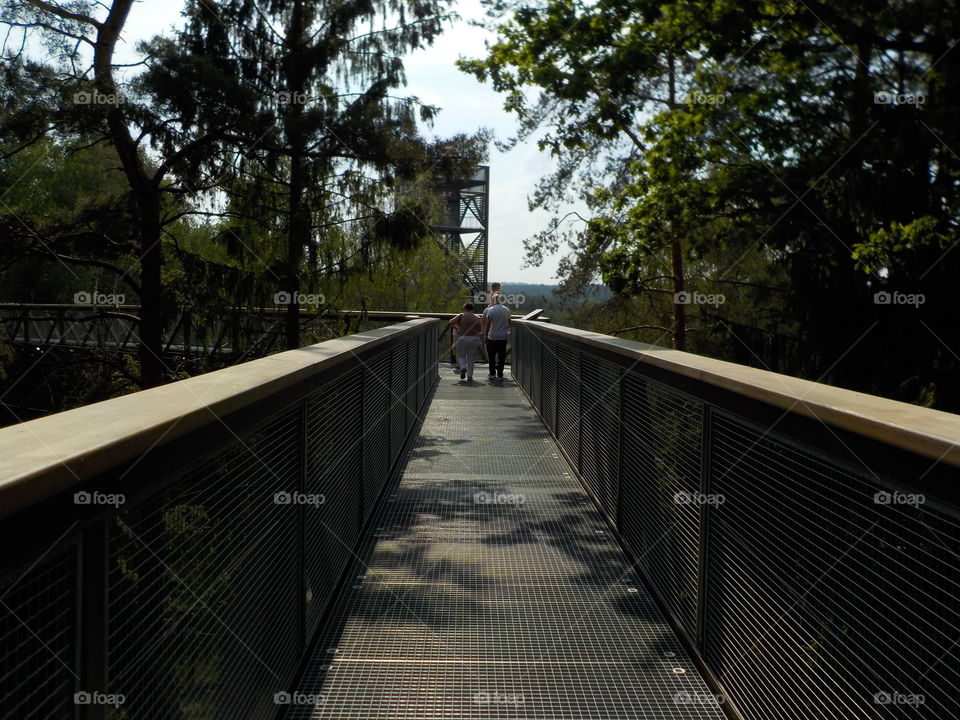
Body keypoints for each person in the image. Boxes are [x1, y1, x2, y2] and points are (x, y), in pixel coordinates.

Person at [448, 302, 482, 382]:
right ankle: (470, 376)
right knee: (471, 357)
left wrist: (457, 326)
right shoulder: (477, 317)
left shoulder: (461, 316)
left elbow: (450, 322)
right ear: (472, 309)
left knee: (461, 355)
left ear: (465, 308)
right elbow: (479, 330)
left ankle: (463, 367)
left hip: (462, 338)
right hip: (474, 338)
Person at [481, 293, 511, 380]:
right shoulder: (506, 310)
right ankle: (500, 375)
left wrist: (486, 335)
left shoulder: (491, 310)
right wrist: (506, 330)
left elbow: (488, 324)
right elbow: (509, 323)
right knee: (501, 357)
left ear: (493, 301)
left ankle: (492, 374)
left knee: (491, 356)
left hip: (492, 336)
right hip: (503, 337)